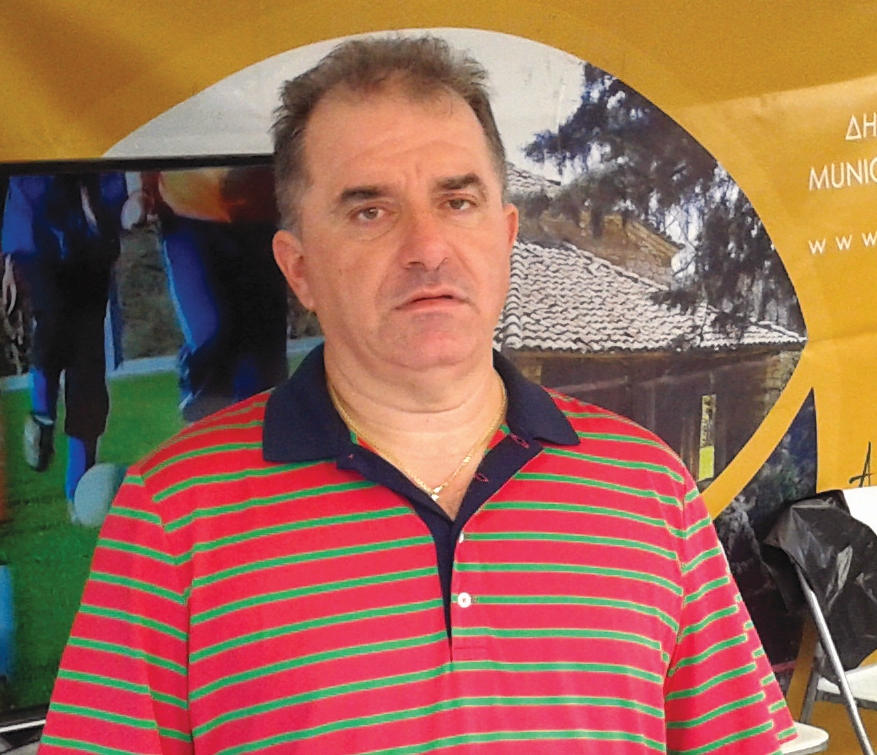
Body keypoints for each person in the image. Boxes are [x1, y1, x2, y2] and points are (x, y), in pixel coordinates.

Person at [39, 36, 795, 753]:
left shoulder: (646, 488)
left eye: (457, 202)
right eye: (370, 211)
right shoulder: (173, 515)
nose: (427, 248)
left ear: (505, 237)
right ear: (299, 268)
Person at [1, 172, 128, 502]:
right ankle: (42, 415)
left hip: (91, 247)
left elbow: (113, 192)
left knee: (88, 363)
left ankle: (79, 487)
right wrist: (10, 262)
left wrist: (100, 215)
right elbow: (23, 194)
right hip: (41, 240)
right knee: (53, 320)